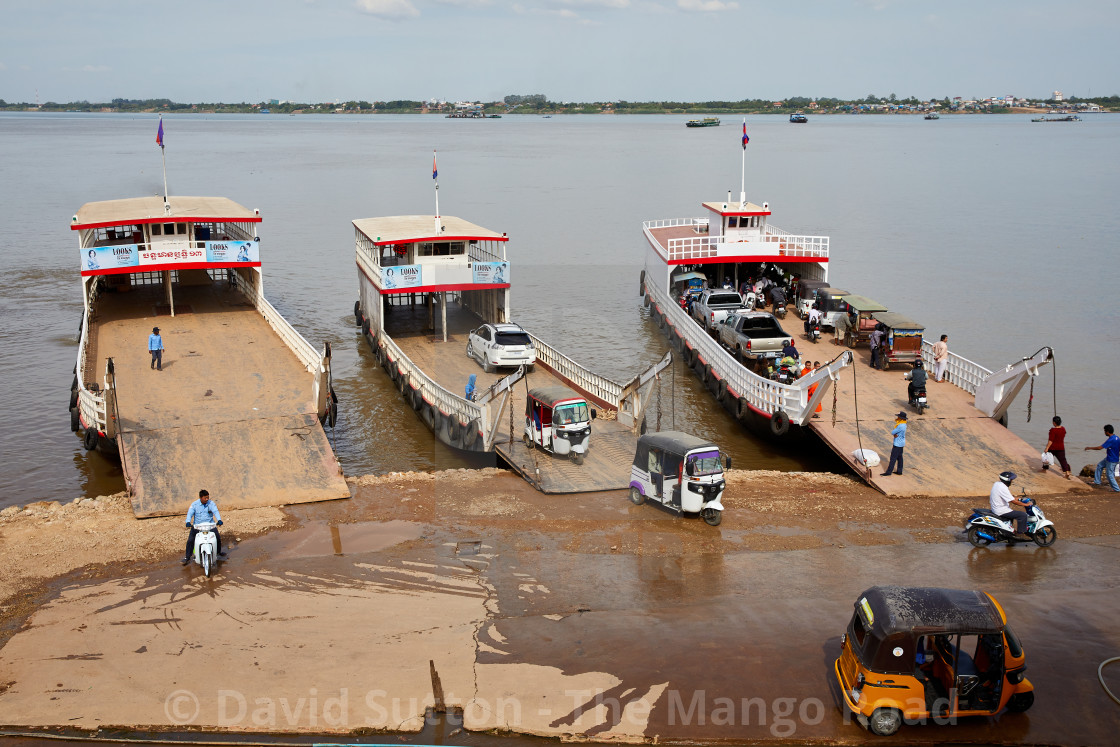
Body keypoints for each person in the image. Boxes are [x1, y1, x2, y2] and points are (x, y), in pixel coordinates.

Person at [182, 489, 225, 565]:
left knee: (217, 538)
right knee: (190, 540)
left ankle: (218, 552)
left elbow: (216, 511)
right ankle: (187, 557)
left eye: (208, 497)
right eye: (205, 498)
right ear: (200, 497)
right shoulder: (194, 504)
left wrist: (219, 520)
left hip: (210, 525)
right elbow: (190, 514)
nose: (207, 499)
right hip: (198, 526)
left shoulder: (211, 504)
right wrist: (188, 522)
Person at [989, 471, 1029, 535]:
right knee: (1022, 515)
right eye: (1011, 480)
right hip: (1001, 510)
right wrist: (1026, 505)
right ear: (1007, 480)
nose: (1012, 481)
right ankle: (1020, 533)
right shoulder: (1003, 488)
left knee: (1012, 514)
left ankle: (1009, 533)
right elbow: (1013, 502)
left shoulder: (997, 484)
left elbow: (1009, 497)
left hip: (996, 508)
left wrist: (1019, 498)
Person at [1085, 424, 1120, 492]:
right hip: (1111, 458)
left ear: (1107, 432)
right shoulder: (1117, 438)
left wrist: (1089, 448)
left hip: (1111, 460)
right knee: (1100, 465)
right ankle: (1097, 481)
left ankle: (1116, 489)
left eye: (1105, 431)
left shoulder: (1111, 439)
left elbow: (1100, 448)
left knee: (1109, 474)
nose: (1104, 432)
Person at [1044, 416, 1072, 480]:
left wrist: (1047, 448)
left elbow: (1051, 440)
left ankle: (1044, 469)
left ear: (1054, 423)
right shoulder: (1063, 429)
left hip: (1053, 447)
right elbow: (1063, 433)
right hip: (1061, 447)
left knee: (1046, 458)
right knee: (1063, 460)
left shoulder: (1053, 430)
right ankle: (1067, 471)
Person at [881, 412, 907, 476]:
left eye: (898, 417)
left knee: (893, 458)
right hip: (901, 443)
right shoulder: (904, 424)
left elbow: (893, 432)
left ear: (900, 418)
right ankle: (899, 471)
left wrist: (894, 434)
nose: (897, 418)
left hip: (897, 444)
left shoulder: (900, 425)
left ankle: (888, 472)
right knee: (900, 458)